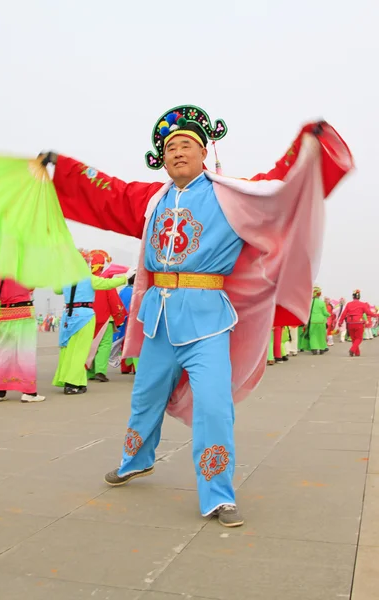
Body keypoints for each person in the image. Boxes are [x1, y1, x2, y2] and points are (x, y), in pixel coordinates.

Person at [42, 105, 352, 527]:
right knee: (145, 396)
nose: (178, 152)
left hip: (208, 320)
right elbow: (107, 192)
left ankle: (218, 493)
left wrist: (308, 145)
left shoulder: (231, 195)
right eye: (170, 147)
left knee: (214, 405)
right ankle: (136, 459)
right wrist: (62, 169)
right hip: (159, 318)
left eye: (187, 144)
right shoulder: (151, 200)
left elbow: (280, 186)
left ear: (204, 152)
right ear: (161, 158)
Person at [53, 270, 127, 394]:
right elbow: (108, 284)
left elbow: (57, 289)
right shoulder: (89, 278)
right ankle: (72, 383)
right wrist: (125, 277)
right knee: (81, 350)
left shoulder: (66, 278)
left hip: (68, 316)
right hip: (84, 316)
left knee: (68, 349)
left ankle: (76, 381)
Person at [0, 278, 45, 402]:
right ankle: (29, 392)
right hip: (24, 315)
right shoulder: (24, 272)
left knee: (2, 352)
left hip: (5, 314)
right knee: (25, 352)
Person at [86, 250, 127, 382]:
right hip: (105, 319)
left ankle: (89, 372)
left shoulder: (85, 280)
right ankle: (100, 371)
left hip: (87, 318)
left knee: (90, 344)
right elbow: (113, 300)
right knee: (104, 345)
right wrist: (119, 316)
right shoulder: (105, 281)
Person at [339, 290, 378, 357]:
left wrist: (340, 321)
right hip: (358, 323)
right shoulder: (362, 304)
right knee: (359, 338)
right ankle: (352, 349)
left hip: (350, 323)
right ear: (359, 297)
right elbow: (369, 313)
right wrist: (377, 315)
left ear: (353, 297)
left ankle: (357, 353)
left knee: (354, 339)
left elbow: (344, 314)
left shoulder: (349, 304)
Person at [301, 287, 330, 355]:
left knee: (313, 335)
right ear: (319, 294)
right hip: (321, 321)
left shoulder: (309, 302)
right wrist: (329, 314)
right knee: (321, 335)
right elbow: (325, 312)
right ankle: (321, 348)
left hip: (312, 321)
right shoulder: (322, 303)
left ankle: (314, 348)